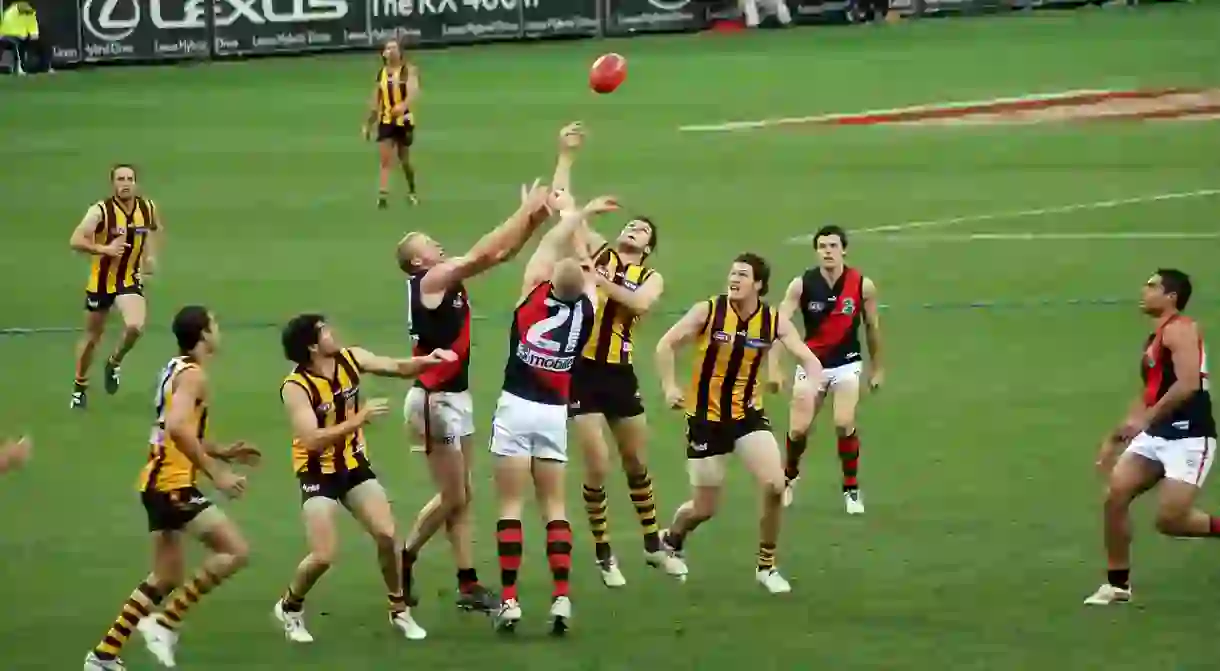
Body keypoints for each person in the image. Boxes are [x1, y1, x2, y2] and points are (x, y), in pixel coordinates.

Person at [396, 169, 557, 614]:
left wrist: (533, 222)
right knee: (454, 496)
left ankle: (467, 582)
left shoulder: (444, 279)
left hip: (455, 397)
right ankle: (404, 556)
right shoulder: (429, 283)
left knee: (462, 491)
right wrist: (523, 211)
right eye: (428, 245)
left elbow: (499, 256)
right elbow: (483, 251)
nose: (438, 246)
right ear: (416, 262)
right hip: (435, 401)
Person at [83, 306, 259, 671]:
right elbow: (178, 428)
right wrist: (217, 474)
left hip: (156, 481)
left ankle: (103, 655)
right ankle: (165, 622)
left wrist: (222, 450)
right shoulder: (194, 376)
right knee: (235, 551)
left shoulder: (174, 368)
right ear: (204, 335)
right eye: (215, 323)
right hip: (171, 484)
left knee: (166, 576)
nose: (218, 330)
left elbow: (173, 428)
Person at [273, 314, 454, 643]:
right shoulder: (295, 387)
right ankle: (290, 606)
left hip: (353, 465)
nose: (334, 332)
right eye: (325, 331)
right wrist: (360, 419)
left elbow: (395, 367)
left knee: (387, 536)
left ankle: (399, 609)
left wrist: (429, 361)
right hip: (317, 473)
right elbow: (311, 439)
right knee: (324, 555)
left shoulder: (350, 358)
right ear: (312, 346)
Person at [654, 253, 824, 594]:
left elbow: (804, 354)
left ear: (758, 284)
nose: (734, 278)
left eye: (742, 274)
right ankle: (672, 538)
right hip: (705, 420)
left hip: (747, 416)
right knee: (704, 508)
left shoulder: (772, 320)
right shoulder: (708, 311)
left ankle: (767, 565)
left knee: (775, 485)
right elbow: (666, 344)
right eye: (732, 272)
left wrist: (813, 381)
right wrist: (670, 387)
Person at [489, 192, 617, 635]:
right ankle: (561, 597)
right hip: (552, 414)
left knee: (510, 504)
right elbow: (592, 278)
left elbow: (546, 247)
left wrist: (571, 214)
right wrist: (585, 232)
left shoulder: (529, 297)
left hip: (515, 406)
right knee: (554, 506)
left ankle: (509, 600)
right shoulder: (588, 312)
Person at [1086, 269, 1215, 606]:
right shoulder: (1155, 339)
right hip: (1156, 435)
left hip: (1189, 437)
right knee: (1115, 495)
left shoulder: (1182, 330)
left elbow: (1188, 384)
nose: (1144, 291)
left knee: (1171, 521)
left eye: (1152, 286)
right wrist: (1117, 436)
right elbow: (1150, 391)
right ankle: (1117, 585)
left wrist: (1146, 420)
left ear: (1171, 296)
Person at [569, 207, 684, 583]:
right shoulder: (600, 253)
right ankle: (604, 553)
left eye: (643, 229)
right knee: (598, 465)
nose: (634, 229)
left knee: (634, 461)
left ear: (648, 247)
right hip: (581, 371)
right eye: (631, 225)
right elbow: (570, 215)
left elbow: (639, 303)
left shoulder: (650, 277)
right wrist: (566, 159)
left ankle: (653, 545)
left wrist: (596, 279)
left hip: (619, 372)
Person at [778, 225, 883, 514]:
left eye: (833, 246)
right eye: (822, 246)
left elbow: (873, 328)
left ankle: (851, 488)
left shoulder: (862, 285)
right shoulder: (801, 285)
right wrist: (774, 367)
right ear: (816, 251)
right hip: (811, 364)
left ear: (843, 250)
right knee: (798, 429)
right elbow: (779, 324)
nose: (828, 251)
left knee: (842, 422)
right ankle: (789, 477)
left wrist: (877, 369)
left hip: (847, 363)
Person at [68, 164, 163, 410]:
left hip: (129, 279)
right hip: (101, 283)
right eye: (120, 179)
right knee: (92, 338)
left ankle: (114, 362)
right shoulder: (100, 211)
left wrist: (150, 257)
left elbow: (151, 230)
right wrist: (104, 249)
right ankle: (79, 387)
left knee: (135, 326)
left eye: (129, 178)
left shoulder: (147, 208)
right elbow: (76, 240)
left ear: (136, 183)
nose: (125, 183)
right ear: (113, 184)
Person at [364, 39, 419, 208]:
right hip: (386, 121)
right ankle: (383, 196)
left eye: (394, 48)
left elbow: (413, 90)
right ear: (384, 53)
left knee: (404, 160)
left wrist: (403, 106)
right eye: (388, 48)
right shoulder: (381, 74)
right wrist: (368, 124)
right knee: (385, 160)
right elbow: (376, 101)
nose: (391, 51)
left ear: (400, 52)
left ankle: (411, 191)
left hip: (404, 121)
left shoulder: (407, 71)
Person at [0, 2, 52, 75]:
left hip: (23, 37)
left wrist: (34, 36)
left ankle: (45, 67)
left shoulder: (31, 13)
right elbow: (7, 28)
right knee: (16, 45)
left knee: (44, 43)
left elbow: (33, 29)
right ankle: (18, 68)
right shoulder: (10, 12)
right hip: (8, 36)